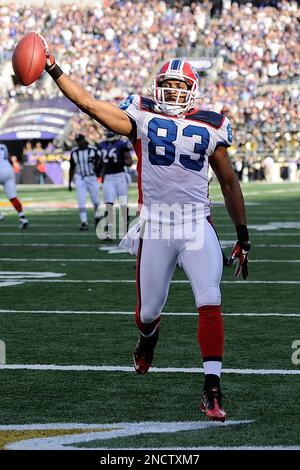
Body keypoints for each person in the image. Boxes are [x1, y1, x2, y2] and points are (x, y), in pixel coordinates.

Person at [36, 36, 251, 422]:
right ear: (156, 87)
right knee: (148, 311)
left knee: (210, 298)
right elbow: (88, 103)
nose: (171, 91)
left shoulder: (212, 124)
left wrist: (243, 235)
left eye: (178, 86)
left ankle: (212, 388)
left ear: (192, 91)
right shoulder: (142, 114)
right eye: (166, 85)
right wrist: (53, 68)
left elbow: (230, 183)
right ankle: (149, 338)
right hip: (155, 225)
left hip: (195, 224)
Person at [97, 129, 132, 240]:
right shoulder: (101, 145)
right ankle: (109, 231)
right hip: (108, 177)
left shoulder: (121, 145)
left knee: (123, 204)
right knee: (109, 205)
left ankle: (126, 229)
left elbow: (129, 161)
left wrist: (120, 161)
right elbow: (99, 162)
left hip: (120, 176)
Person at [69, 133, 101, 231]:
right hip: (80, 178)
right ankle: (84, 222)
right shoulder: (74, 152)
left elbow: (100, 163)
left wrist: (98, 174)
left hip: (91, 177)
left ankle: (97, 218)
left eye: (80, 141)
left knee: (96, 202)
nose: (79, 143)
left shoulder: (93, 150)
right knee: (81, 201)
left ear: (84, 140)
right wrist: (69, 183)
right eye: (78, 141)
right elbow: (72, 167)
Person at [0, 142, 28, 229]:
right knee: (13, 196)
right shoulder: (3, 146)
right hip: (8, 169)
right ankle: (22, 217)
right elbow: (8, 157)